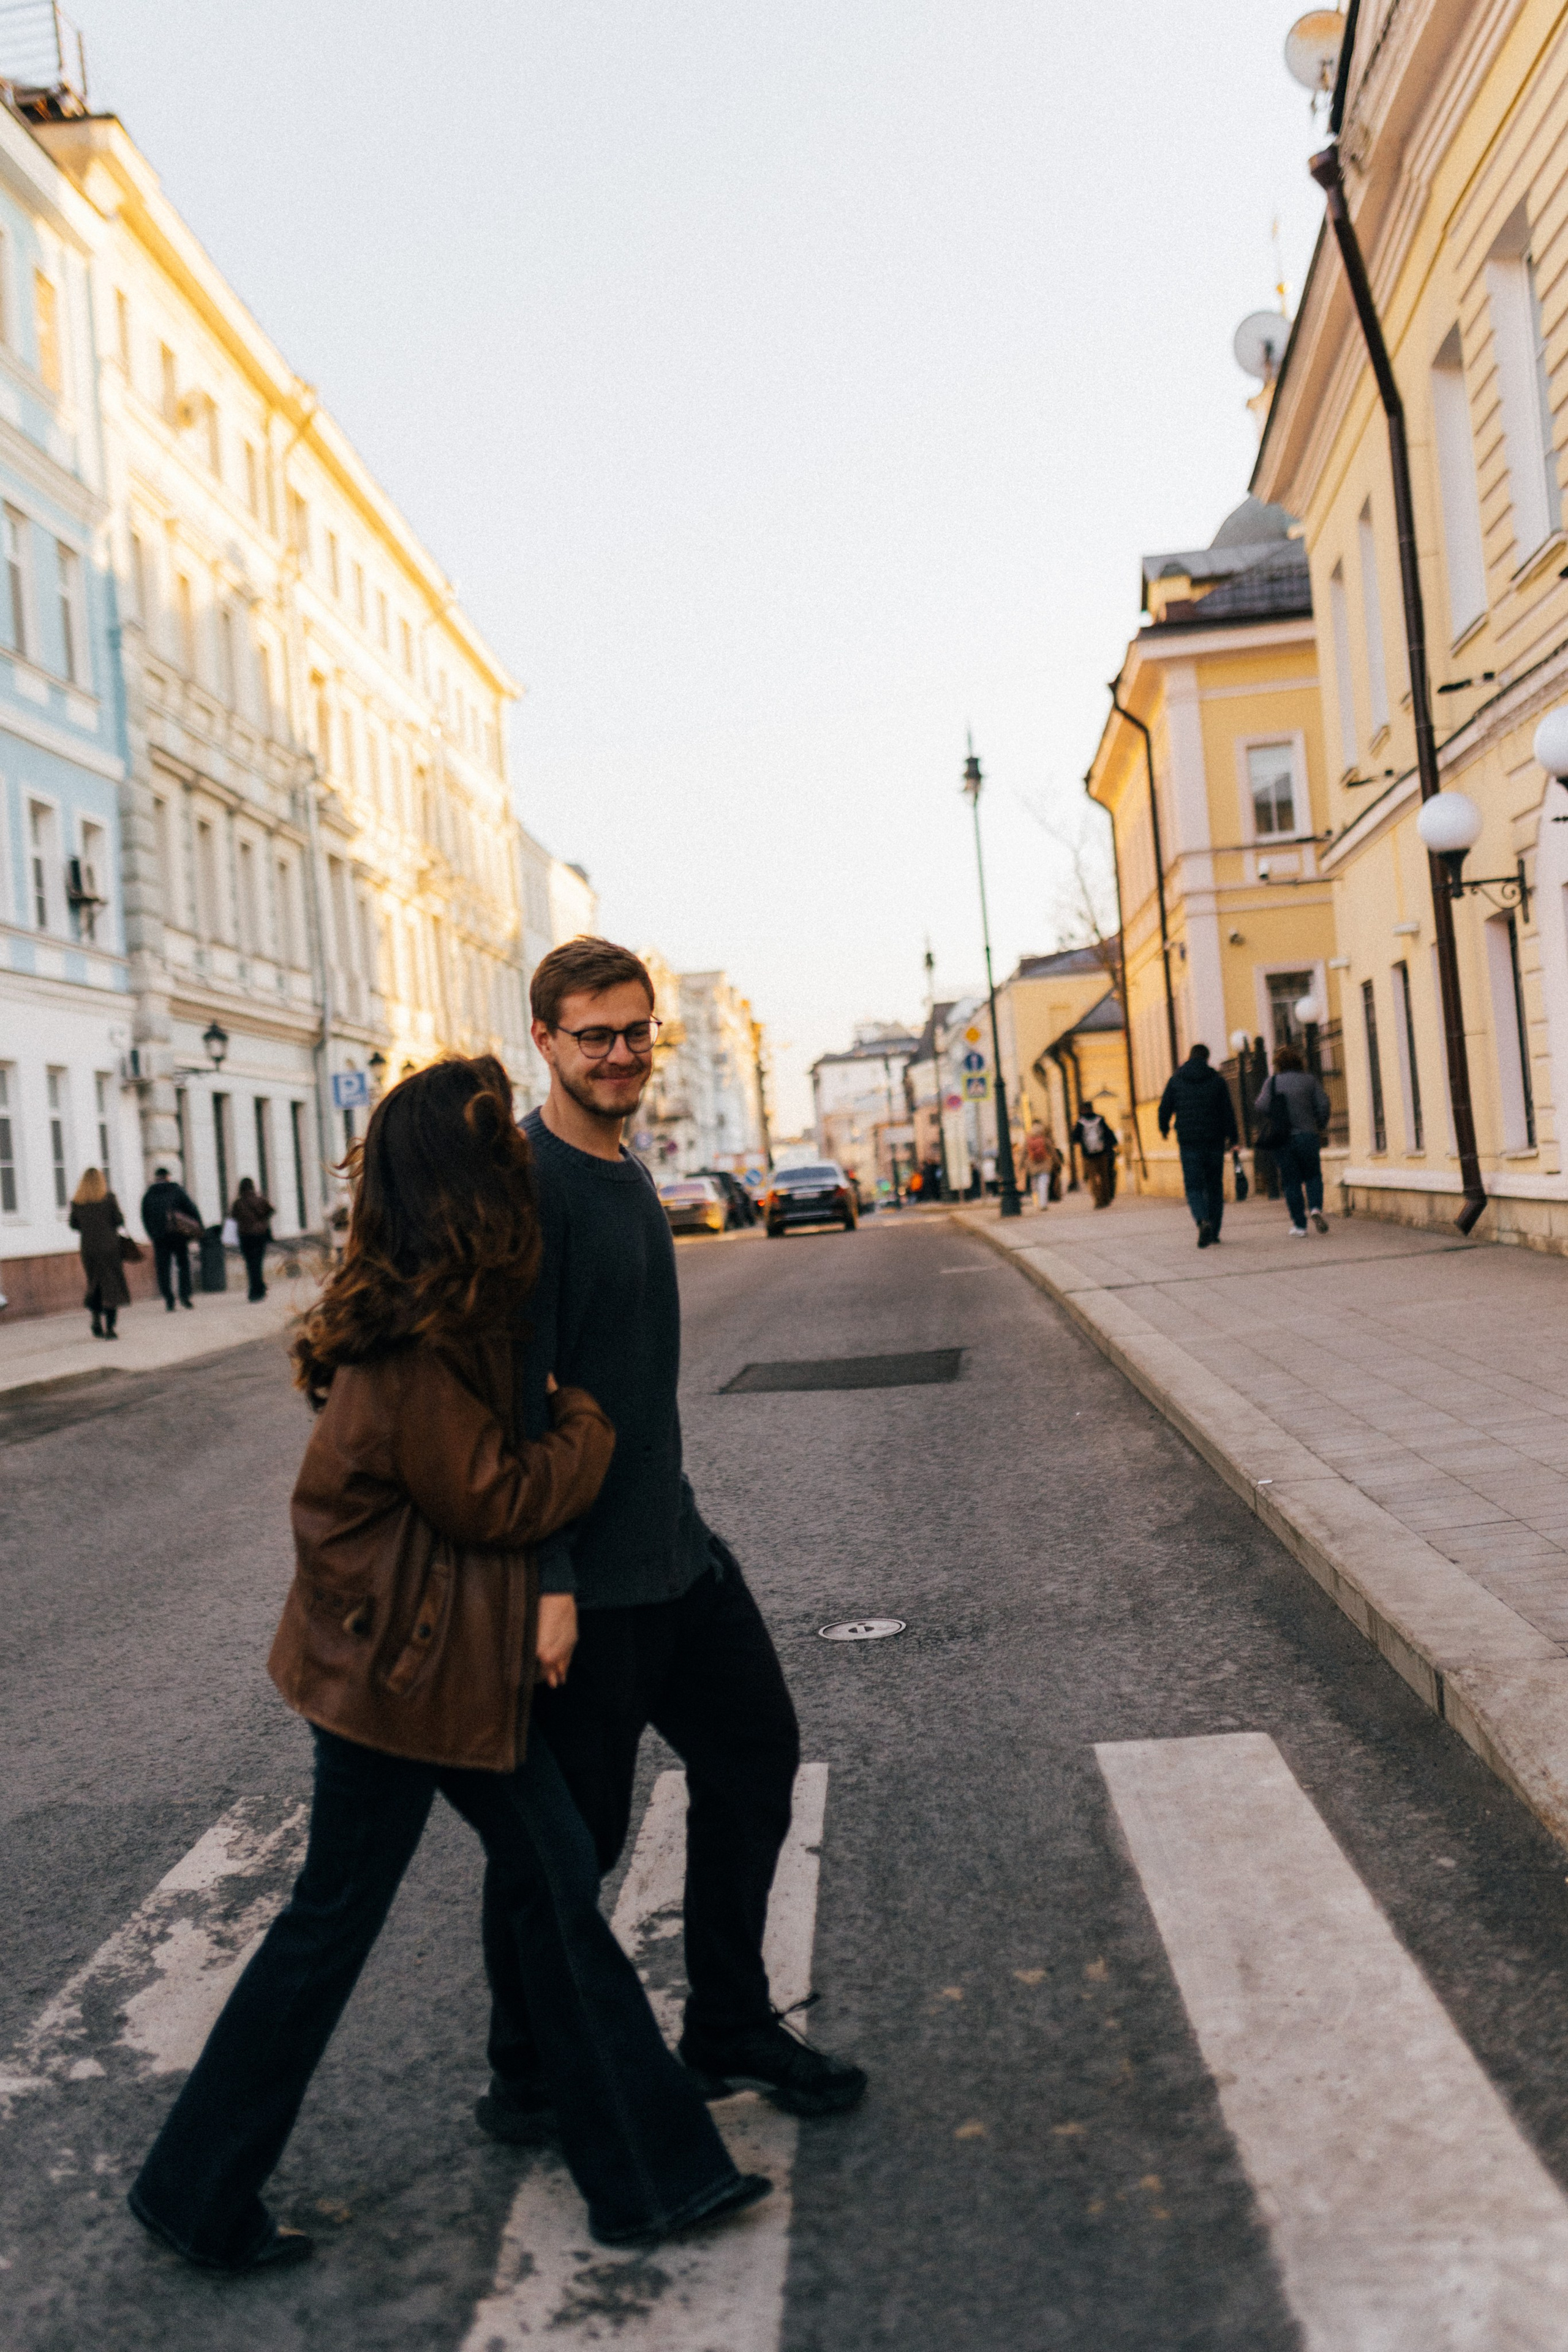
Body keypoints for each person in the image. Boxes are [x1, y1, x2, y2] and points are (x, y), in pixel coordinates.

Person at [127, 1056, 768, 2274]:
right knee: (360, 1920)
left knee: (536, 1886)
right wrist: (587, 1422)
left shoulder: (451, 1297)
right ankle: (199, 2188)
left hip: (420, 1660)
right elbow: (491, 1495)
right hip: (400, 1678)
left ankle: (639, 2173)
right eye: (497, 1153)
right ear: (463, 1179)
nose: (519, 1165)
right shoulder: (427, 1330)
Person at [478, 937, 867, 2149]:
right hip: (585, 1588)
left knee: (754, 1755)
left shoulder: (624, 1165)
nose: (619, 1055)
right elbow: (512, 1402)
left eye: (636, 1033)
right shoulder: (532, 1188)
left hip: (676, 1556)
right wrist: (544, 1583)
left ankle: (730, 2021)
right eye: (593, 1036)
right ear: (542, 1040)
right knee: (570, 1843)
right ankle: (526, 2073)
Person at [1158, 1042, 1238, 1248]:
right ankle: (1214, 1231)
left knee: (1194, 1186)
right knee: (1214, 1186)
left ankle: (1202, 1220)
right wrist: (1234, 1139)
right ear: (1207, 1058)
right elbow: (1228, 1112)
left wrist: (1165, 1128)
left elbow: (1164, 1108)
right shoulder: (1217, 1081)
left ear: (1189, 1057)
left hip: (1189, 1142)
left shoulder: (1176, 1080)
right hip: (1214, 1141)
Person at [1257, 1046, 1332, 1237]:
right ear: (1299, 1062)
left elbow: (1261, 1105)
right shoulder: (1309, 1081)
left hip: (1283, 1139)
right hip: (1308, 1136)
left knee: (1291, 1182)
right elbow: (1323, 1104)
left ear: (1278, 1064)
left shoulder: (1272, 1082)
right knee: (1313, 1175)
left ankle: (1300, 1226)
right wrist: (1319, 1124)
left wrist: (1276, 1113)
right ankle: (1315, 1208)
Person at [69, 1167, 131, 1338]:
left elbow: (74, 1225)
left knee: (94, 1283)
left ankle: (96, 1319)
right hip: (110, 1248)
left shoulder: (77, 1202)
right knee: (112, 1286)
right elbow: (118, 1220)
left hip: (89, 1249)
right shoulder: (109, 1199)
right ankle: (110, 1329)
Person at [141, 1164, 202, 1311]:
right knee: (183, 1265)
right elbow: (191, 1208)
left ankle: (168, 1299)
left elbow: (145, 1217)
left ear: (156, 1178)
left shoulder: (149, 1195)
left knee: (163, 1268)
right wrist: (198, 1227)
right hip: (178, 1235)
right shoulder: (176, 1191)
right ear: (168, 1177)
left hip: (159, 1238)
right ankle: (185, 1295)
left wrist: (152, 1234)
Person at [230, 1176, 276, 1301]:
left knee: (250, 1264)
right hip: (260, 1236)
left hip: (245, 1236)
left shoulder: (238, 1203)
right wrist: (262, 1221)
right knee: (258, 1263)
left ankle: (254, 1291)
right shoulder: (260, 1200)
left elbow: (233, 1217)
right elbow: (271, 1210)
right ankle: (259, 1290)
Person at [1069, 1104, 1118, 1208]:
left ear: (1082, 1110)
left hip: (1088, 1156)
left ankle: (1098, 1200)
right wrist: (1113, 1144)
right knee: (1104, 1176)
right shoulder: (1100, 1119)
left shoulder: (1080, 1123)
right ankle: (1106, 1199)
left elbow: (1075, 1138)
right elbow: (1108, 1133)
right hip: (1102, 1153)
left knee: (1092, 1179)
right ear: (1092, 1108)